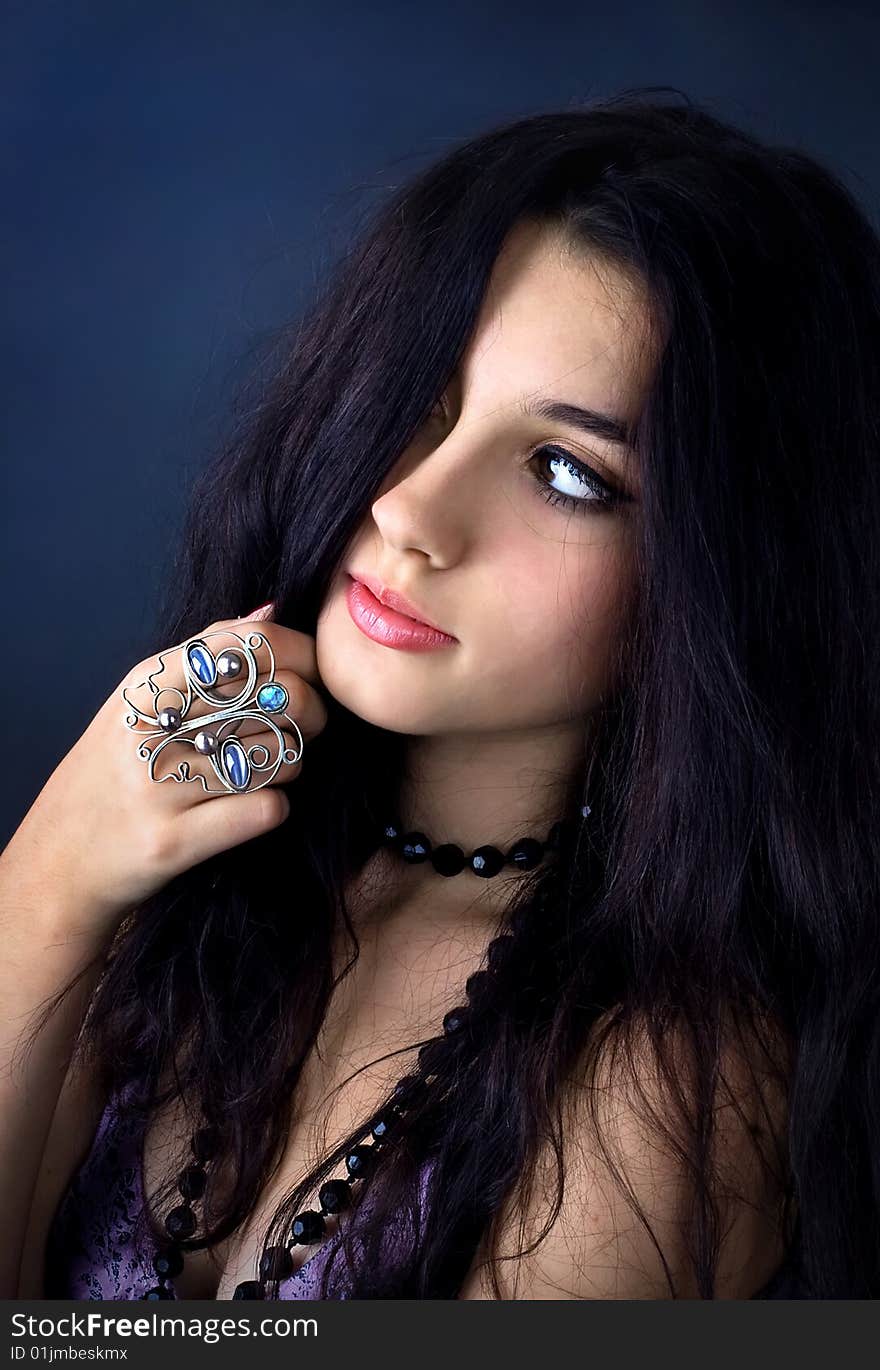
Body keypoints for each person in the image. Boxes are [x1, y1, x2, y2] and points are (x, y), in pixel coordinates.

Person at [2, 88, 878, 1302]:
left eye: (565, 469)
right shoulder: (179, 870)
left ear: (729, 574)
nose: (409, 509)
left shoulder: (674, 1070)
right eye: (423, 399)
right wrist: (47, 883)